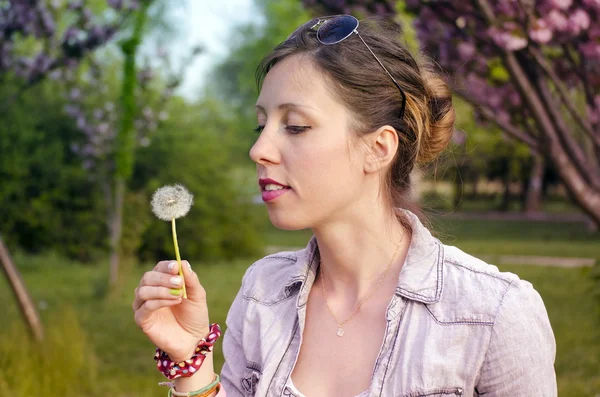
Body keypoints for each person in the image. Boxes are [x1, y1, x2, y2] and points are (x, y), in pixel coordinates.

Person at [132, 15, 557, 397]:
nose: (259, 149)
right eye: (261, 125)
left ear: (378, 148)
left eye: (295, 126)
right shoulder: (263, 291)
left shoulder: (494, 314)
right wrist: (191, 358)